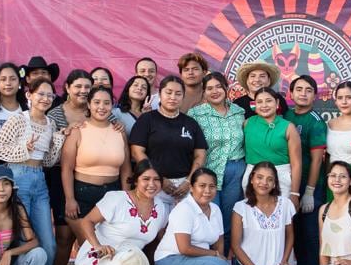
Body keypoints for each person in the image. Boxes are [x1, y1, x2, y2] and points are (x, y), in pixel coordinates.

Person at [0, 78, 64, 265]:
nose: (45, 99)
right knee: (22, 238)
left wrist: (58, 140)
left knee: (48, 243)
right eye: (41, 94)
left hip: (39, 179)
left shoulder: (51, 123)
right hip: (18, 177)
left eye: (50, 95)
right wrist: (24, 148)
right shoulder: (18, 119)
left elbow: (48, 161)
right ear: (29, 95)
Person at [74, 159, 170, 265]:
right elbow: (86, 221)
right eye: (146, 179)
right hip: (100, 255)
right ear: (135, 180)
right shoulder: (116, 199)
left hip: (130, 259)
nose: (152, 184)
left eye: (156, 179)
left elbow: (161, 236)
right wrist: (98, 246)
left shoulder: (161, 207)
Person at [48, 69, 103, 265]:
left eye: (87, 86)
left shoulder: (98, 110)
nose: (83, 90)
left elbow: (111, 131)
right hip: (60, 178)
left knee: (91, 233)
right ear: (67, 88)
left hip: (89, 179)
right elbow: (48, 146)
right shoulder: (54, 114)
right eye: (78, 86)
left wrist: (119, 127)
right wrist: (62, 134)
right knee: (63, 234)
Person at [228, 162, 305, 265]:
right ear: (251, 179)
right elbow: (235, 246)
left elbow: (290, 235)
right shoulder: (240, 208)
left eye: (270, 179)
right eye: (260, 177)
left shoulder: (285, 204)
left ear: (275, 183)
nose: (264, 182)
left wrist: (284, 260)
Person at [153, 168, 229, 265]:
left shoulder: (215, 209)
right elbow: (184, 248)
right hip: (171, 263)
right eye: (202, 186)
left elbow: (219, 242)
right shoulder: (184, 209)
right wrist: (215, 256)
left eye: (212, 186)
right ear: (192, 188)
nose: (207, 191)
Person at [62, 87, 131, 253]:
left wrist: (126, 197)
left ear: (112, 106)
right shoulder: (77, 131)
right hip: (83, 194)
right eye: (97, 102)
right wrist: (70, 199)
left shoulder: (119, 132)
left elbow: (126, 169)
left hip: (113, 193)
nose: (101, 107)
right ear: (88, 104)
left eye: (106, 103)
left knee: (110, 245)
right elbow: (66, 168)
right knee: (90, 248)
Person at [129, 75, 208, 211]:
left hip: (184, 186)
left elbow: (200, 155)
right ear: (160, 94)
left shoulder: (191, 123)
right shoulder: (147, 120)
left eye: (178, 94)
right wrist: (159, 178)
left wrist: (189, 181)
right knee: (155, 222)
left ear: (183, 97)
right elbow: (137, 152)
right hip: (152, 184)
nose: (173, 97)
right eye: (168, 92)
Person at [189, 71, 246, 246]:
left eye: (218, 87)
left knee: (230, 217)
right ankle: (209, 254)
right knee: (208, 215)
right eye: (209, 88)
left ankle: (228, 255)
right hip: (208, 172)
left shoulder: (238, 111)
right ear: (204, 92)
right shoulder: (195, 114)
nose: (214, 91)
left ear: (226, 88)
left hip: (235, 170)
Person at [283, 75, 327, 265]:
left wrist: (309, 192)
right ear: (291, 94)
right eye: (299, 89)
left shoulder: (316, 122)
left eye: (308, 90)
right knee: (292, 229)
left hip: (310, 184)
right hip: (288, 182)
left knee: (310, 232)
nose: (303, 93)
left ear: (314, 96)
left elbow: (317, 160)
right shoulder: (285, 116)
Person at [242, 87, 302, 213]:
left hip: (281, 177)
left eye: (268, 101)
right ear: (254, 105)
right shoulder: (247, 123)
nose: (264, 105)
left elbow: (296, 164)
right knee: (253, 216)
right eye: (259, 102)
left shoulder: (288, 127)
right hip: (253, 177)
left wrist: (295, 193)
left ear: (277, 103)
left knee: (281, 217)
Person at [325, 81, 351, 195]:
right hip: (333, 179)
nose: (344, 102)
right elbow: (327, 157)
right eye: (340, 98)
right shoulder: (330, 124)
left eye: (349, 97)